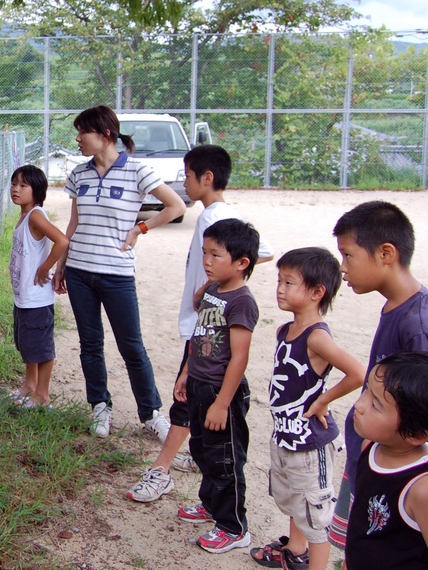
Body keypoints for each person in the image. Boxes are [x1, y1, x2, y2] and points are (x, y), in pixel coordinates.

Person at [127, 145, 273, 503]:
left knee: (186, 399)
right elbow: (261, 252)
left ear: (207, 178)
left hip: (205, 327)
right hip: (203, 322)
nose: (184, 182)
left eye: (188, 175)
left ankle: (161, 471)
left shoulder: (214, 218)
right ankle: (188, 462)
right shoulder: (216, 214)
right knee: (191, 399)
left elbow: (262, 251)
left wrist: (216, 287)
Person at [52, 105, 185, 439]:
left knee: (131, 347)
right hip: (80, 270)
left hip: (116, 274)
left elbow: (176, 206)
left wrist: (141, 227)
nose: (78, 138)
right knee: (90, 344)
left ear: (106, 134)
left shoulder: (138, 171)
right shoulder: (78, 175)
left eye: (84, 132)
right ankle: (100, 406)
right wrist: (61, 264)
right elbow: (74, 222)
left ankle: (151, 413)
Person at [327, 201, 428, 550]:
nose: (342, 267)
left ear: (385, 253)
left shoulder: (421, 328)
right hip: (370, 461)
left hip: (389, 478)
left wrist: (396, 478)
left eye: (348, 255)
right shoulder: (397, 307)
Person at [249, 247, 365, 570]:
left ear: (317, 293)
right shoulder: (284, 330)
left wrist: (324, 399)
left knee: (316, 516)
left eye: (289, 283)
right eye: (279, 281)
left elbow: (357, 373)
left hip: (309, 444)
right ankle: (295, 551)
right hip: (285, 438)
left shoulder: (317, 338)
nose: (280, 289)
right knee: (292, 501)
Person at [174, 218, 259, 554]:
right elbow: (198, 336)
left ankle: (233, 527)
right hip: (198, 384)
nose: (206, 262)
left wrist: (223, 403)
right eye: (204, 253)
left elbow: (239, 357)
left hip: (222, 392)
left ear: (242, 263)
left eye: (215, 255)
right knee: (203, 451)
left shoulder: (242, 301)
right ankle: (210, 505)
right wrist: (185, 373)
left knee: (226, 460)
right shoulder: (212, 290)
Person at [345, 352, 428, 570]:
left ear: (416, 434)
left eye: (375, 405)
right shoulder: (371, 446)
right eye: (367, 390)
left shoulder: (426, 489)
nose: (360, 405)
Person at [9, 165, 69, 408]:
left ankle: (42, 395)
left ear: (37, 190)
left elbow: (62, 240)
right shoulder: (24, 215)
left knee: (41, 347)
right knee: (28, 343)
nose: (16, 189)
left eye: (23, 185)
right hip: (24, 295)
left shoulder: (35, 215)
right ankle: (29, 385)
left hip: (37, 298)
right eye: (14, 184)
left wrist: (45, 268)